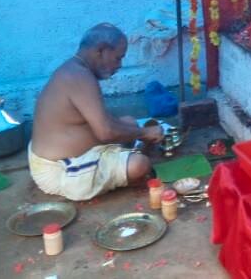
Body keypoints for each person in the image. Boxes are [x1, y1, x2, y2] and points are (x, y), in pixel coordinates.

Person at [29, 23, 164, 201]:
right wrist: (145, 133)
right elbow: (105, 132)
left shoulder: (76, 69)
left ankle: (120, 160)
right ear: (101, 51)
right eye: (118, 58)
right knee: (140, 165)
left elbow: (103, 122)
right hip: (61, 169)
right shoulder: (79, 76)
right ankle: (124, 173)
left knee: (130, 121)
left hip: (62, 156)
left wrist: (138, 132)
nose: (120, 65)